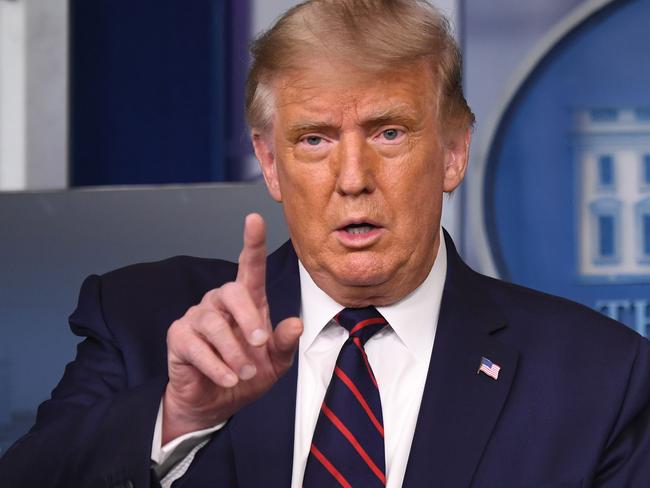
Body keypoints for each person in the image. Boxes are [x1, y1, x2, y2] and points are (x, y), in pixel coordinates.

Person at [1, 0, 649, 487]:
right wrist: (177, 415)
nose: (353, 179)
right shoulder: (146, 319)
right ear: (270, 162)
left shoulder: (599, 378)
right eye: (314, 139)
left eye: (389, 133)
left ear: (454, 152)